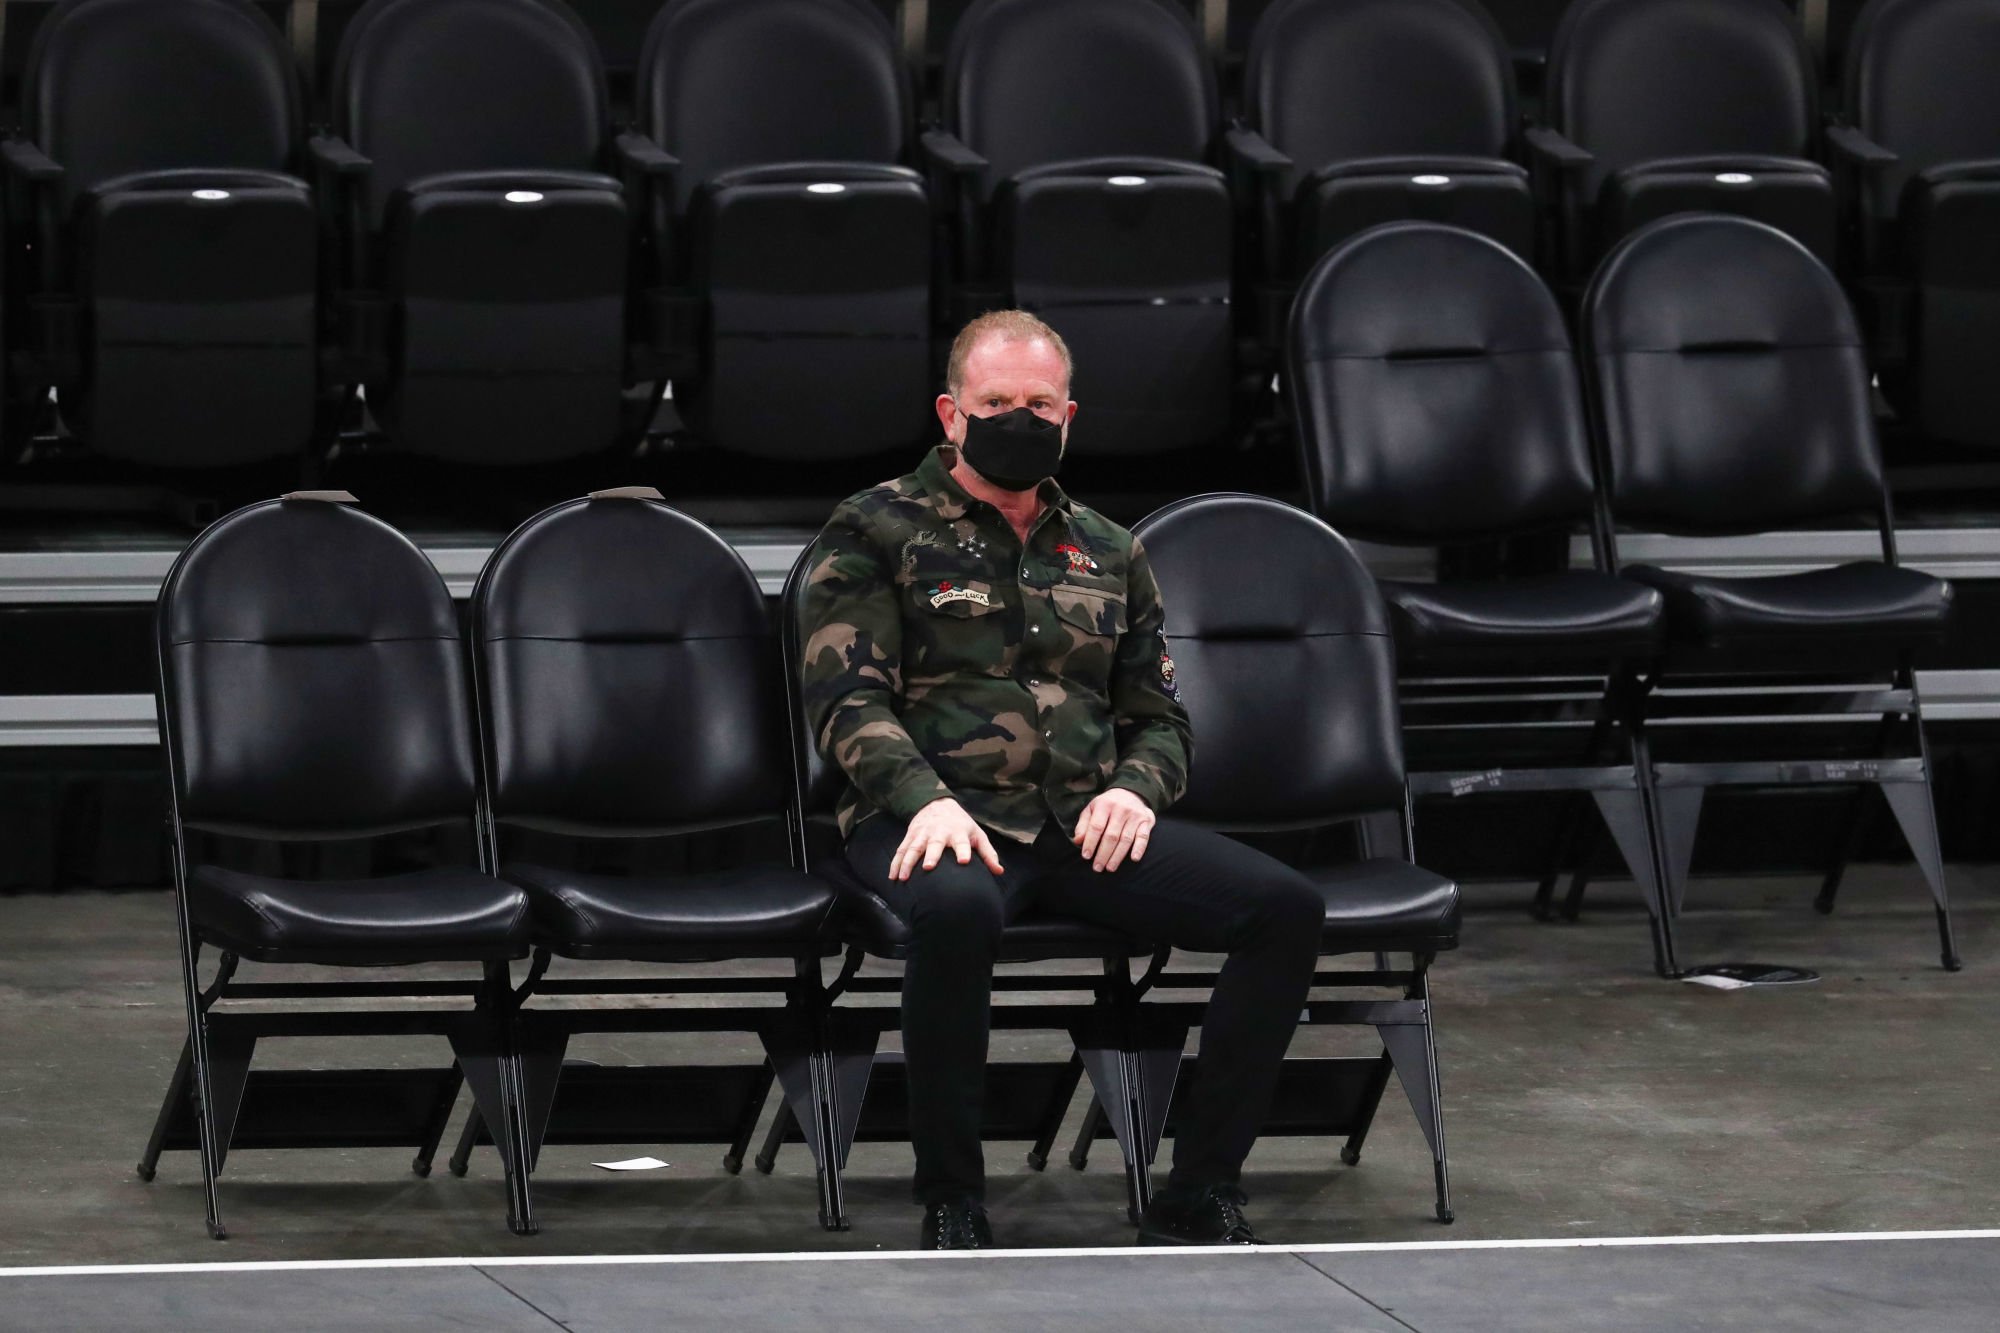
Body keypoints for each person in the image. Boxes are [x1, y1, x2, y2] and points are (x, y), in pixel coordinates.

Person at [797, 310, 1322, 1250]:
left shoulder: (1110, 548)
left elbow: (1160, 718)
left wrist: (1135, 789)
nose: (1020, 418)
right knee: (957, 910)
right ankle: (952, 1196)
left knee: (1284, 909)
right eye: (997, 401)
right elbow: (846, 701)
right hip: (930, 819)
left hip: (1080, 823)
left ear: (1069, 417)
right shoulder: (873, 526)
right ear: (952, 413)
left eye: (1040, 404)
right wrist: (925, 800)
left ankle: (1200, 1187)